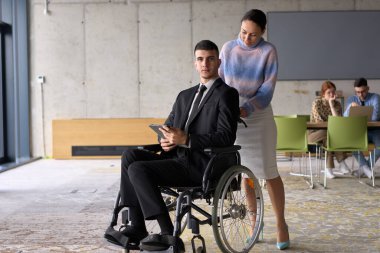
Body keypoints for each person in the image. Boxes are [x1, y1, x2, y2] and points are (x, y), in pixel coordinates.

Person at [104, 40, 240, 249]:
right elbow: (168, 126)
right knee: (130, 155)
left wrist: (186, 140)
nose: (205, 64)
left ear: (218, 62)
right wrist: (165, 140)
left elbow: (226, 137)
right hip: (175, 158)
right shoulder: (184, 96)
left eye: (210, 59)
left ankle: (167, 232)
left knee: (139, 169)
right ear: (195, 63)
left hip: (202, 164)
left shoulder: (226, 94)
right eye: (200, 59)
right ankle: (137, 225)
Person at [219, 9, 289, 250]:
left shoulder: (268, 51)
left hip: (258, 116)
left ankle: (281, 224)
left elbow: (267, 90)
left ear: (263, 33)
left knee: (269, 172)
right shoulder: (228, 49)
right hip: (233, 118)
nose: (247, 39)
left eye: (253, 35)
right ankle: (253, 223)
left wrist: (246, 109)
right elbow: (220, 83)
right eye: (244, 32)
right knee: (246, 173)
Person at [308, 81, 351, 179]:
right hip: (314, 134)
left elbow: (338, 123)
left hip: (328, 135)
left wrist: (331, 106)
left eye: (333, 92)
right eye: (329, 92)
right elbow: (319, 122)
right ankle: (341, 162)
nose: (332, 95)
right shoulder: (316, 103)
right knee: (330, 133)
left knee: (330, 136)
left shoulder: (337, 105)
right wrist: (332, 125)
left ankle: (329, 169)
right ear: (323, 94)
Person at [343, 77, 380, 178]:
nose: (360, 95)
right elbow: (345, 117)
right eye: (357, 92)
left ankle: (364, 168)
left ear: (368, 88)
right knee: (352, 144)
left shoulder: (376, 97)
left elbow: (375, 117)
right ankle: (366, 168)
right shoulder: (351, 99)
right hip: (358, 131)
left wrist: (358, 110)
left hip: (375, 130)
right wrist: (350, 107)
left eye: (363, 91)